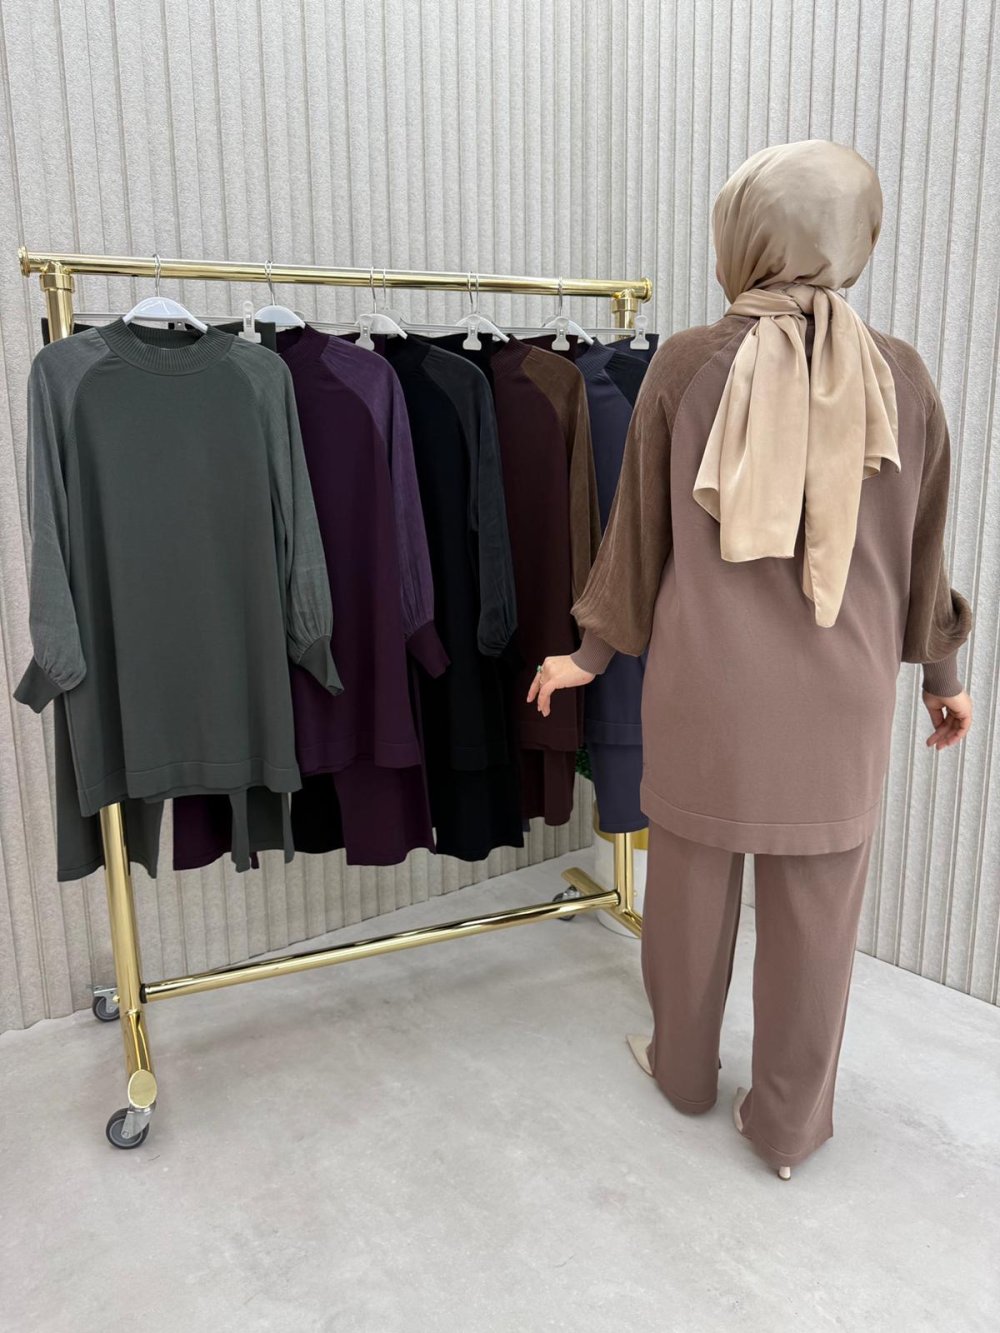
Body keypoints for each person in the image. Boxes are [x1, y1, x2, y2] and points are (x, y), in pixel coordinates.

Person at [528, 140, 973, 1179]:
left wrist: (589, 654)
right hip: (843, 702)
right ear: (855, 236)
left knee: (687, 897)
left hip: (707, 694)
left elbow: (636, 538)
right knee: (817, 923)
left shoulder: (688, 363)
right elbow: (923, 554)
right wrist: (944, 680)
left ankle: (682, 1070)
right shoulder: (904, 378)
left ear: (741, 234)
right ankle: (786, 1128)